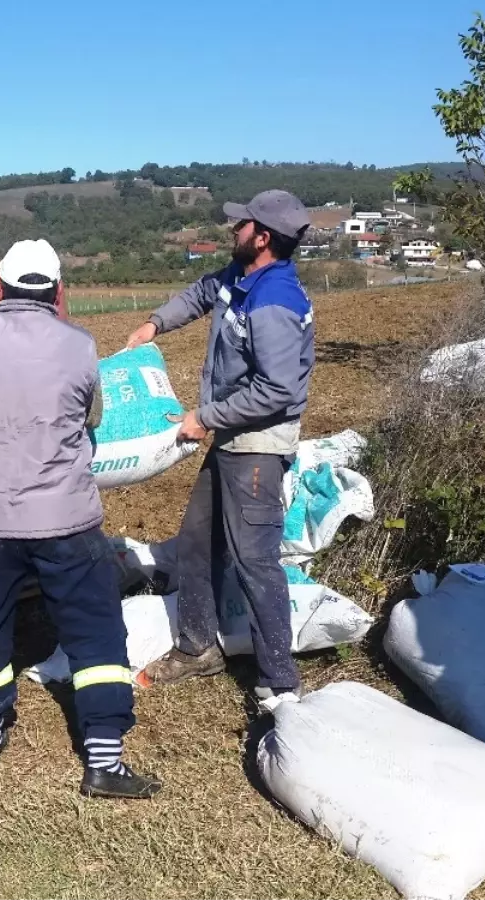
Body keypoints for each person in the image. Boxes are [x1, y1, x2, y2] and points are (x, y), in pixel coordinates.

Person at [0, 239, 161, 800]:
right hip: (65, 520)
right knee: (96, 633)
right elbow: (94, 416)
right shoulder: (79, 346)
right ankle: (103, 762)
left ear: (0, 288)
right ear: (57, 291)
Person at [126, 189, 315, 700]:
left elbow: (278, 390)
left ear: (263, 237)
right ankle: (198, 647)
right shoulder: (241, 276)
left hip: (255, 445)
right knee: (196, 543)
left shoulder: (274, 301)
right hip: (232, 436)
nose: (233, 230)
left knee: (255, 560)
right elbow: (200, 292)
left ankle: (278, 679)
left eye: (242, 225)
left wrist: (204, 418)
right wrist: (154, 324)